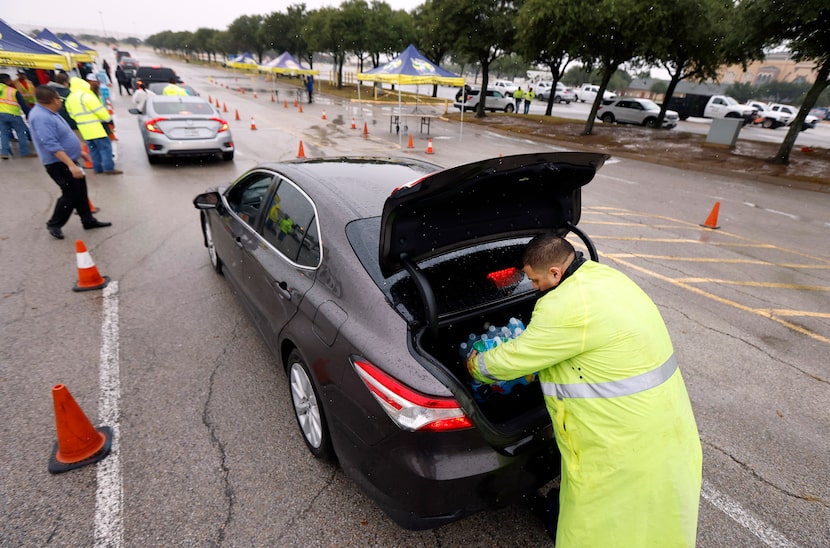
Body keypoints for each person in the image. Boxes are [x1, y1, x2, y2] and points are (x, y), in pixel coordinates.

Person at [467, 234, 702, 545]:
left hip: (620, 445)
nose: (534, 288)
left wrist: (475, 365)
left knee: (593, 528)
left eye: (535, 280)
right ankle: (555, 510)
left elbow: (513, 359)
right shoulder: (605, 277)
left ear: (555, 273)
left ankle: (558, 518)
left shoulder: (563, 306)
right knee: (656, 520)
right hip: (666, 424)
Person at [28, 85, 112, 239]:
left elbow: (62, 136)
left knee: (80, 191)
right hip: (58, 163)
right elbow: (50, 144)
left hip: (69, 160)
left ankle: (88, 220)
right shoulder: (41, 117)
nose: (61, 102)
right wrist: (71, 165)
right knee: (70, 195)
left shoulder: (50, 112)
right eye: (59, 98)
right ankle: (54, 224)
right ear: (53, 99)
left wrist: (78, 153)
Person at [65, 75, 122, 175]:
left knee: (93, 150)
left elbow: (71, 115)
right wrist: (108, 119)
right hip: (97, 128)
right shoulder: (86, 96)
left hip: (84, 129)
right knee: (105, 148)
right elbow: (99, 110)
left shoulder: (69, 98)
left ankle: (97, 168)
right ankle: (109, 168)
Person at [0, 74, 37, 159]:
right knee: (21, 133)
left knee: (4, 134)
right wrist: (28, 115)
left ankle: (4, 153)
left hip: (1, 116)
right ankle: (24, 153)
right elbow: (23, 105)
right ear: (7, 81)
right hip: (14, 115)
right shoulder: (12, 91)